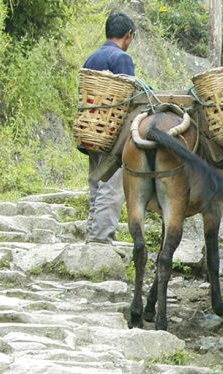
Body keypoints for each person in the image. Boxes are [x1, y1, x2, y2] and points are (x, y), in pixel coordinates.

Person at [82, 12, 136, 245]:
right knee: (111, 186)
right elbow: (128, 98)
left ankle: (93, 233)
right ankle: (101, 239)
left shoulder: (91, 58)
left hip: (91, 129)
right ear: (128, 35)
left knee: (96, 181)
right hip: (112, 131)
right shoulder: (121, 59)